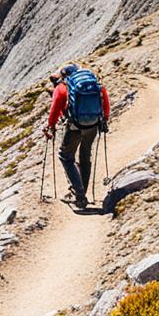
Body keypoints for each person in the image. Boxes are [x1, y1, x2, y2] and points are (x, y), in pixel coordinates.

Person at [43, 63, 110, 208]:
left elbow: (54, 110)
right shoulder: (94, 84)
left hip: (75, 127)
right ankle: (82, 192)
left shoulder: (62, 88)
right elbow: (105, 101)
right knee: (85, 156)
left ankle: (79, 194)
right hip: (93, 125)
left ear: (64, 75)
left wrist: (51, 126)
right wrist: (104, 120)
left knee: (66, 156)